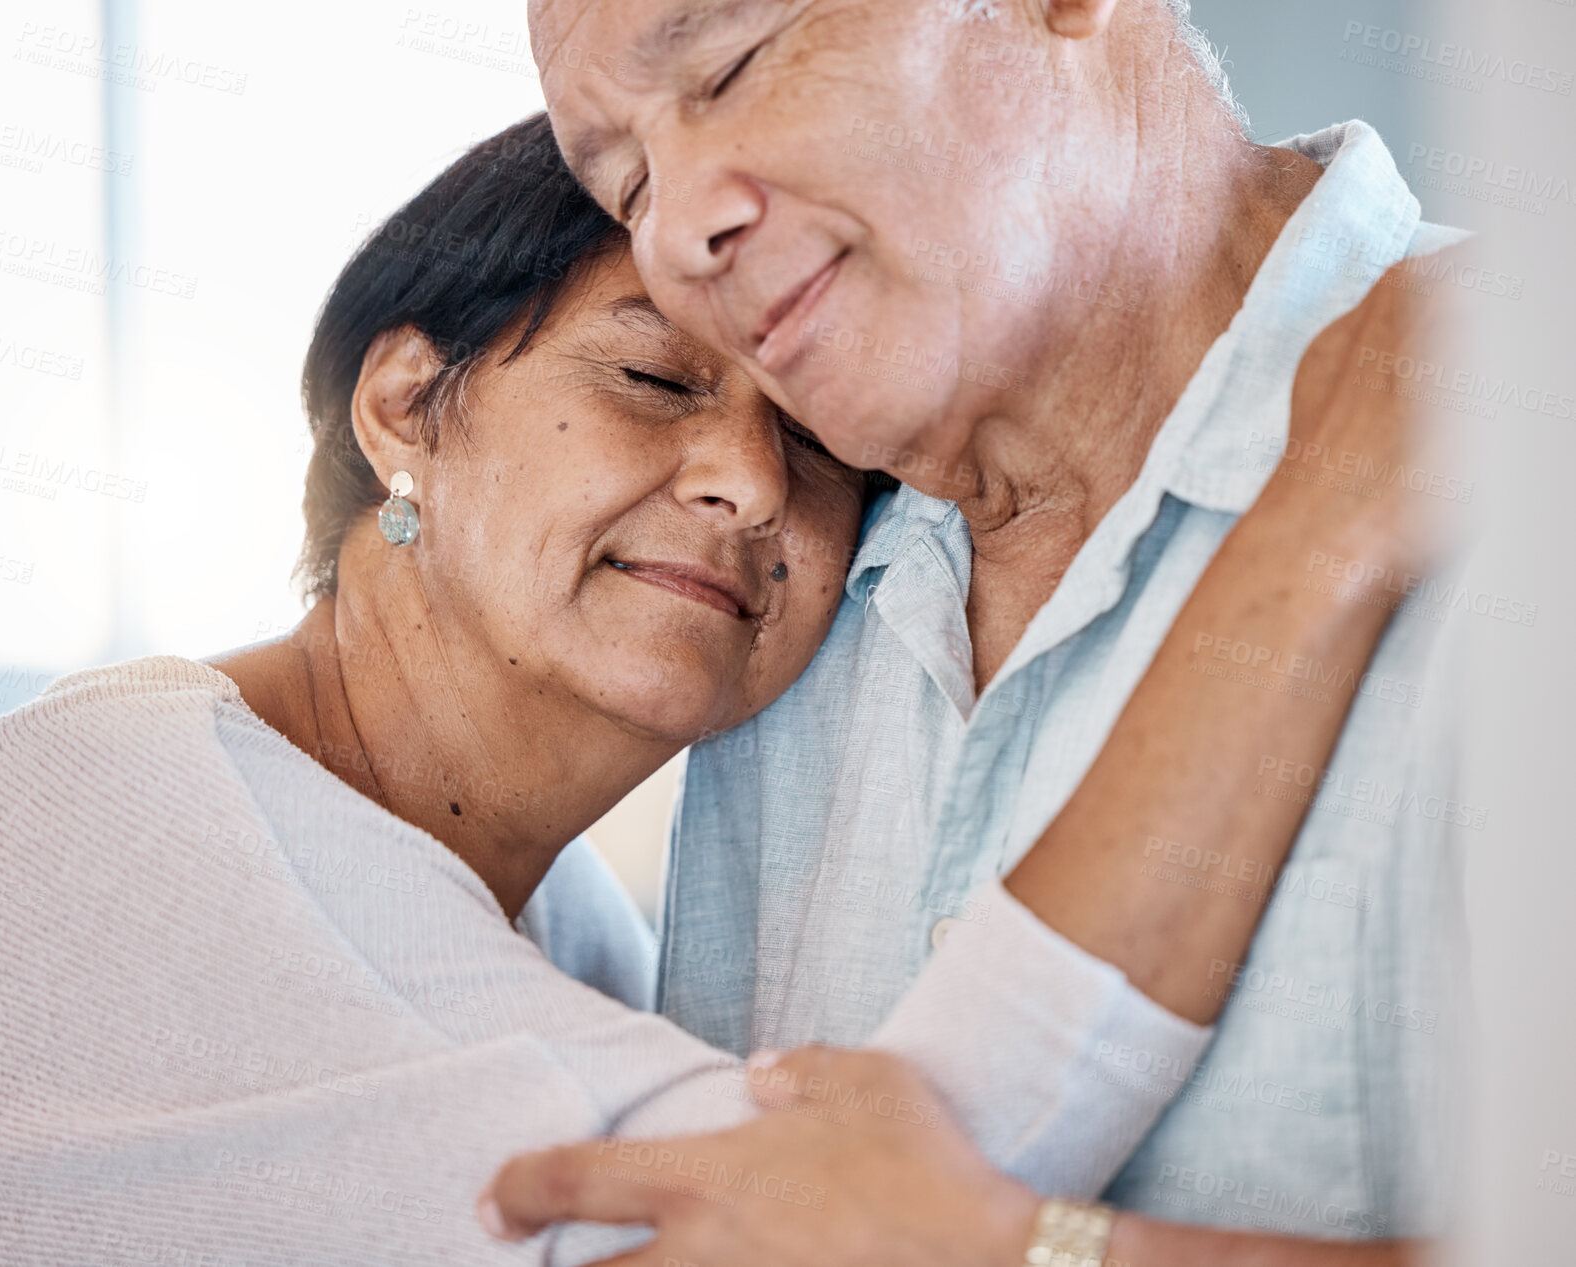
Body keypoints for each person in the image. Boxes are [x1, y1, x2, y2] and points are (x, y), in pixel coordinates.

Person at [1, 112, 1436, 1267]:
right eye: (652, 377)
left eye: (814, 444)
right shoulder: (115, 821)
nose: (748, 483)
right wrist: (1314, 535)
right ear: (402, 406)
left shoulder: (568, 933)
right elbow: (835, 1216)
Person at [489, 0, 1477, 1259]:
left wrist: (1037, 1250)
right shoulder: (764, 595)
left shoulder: (1514, 411)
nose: (678, 237)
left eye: (732, 66)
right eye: (626, 186)